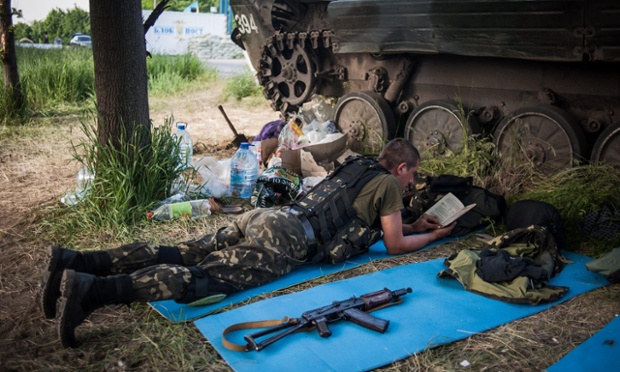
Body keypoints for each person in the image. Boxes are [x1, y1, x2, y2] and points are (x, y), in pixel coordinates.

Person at [42, 138, 455, 348]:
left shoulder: (359, 165)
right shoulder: (389, 186)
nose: (412, 183)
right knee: (201, 280)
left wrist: (415, 220)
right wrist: (433, 235)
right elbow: (396, 245)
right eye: (412, 176)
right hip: (288, 239)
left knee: (180, 251)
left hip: (269, 217)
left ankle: (76, 259)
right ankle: (91, 291)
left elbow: (381, 224)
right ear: (402, 166)